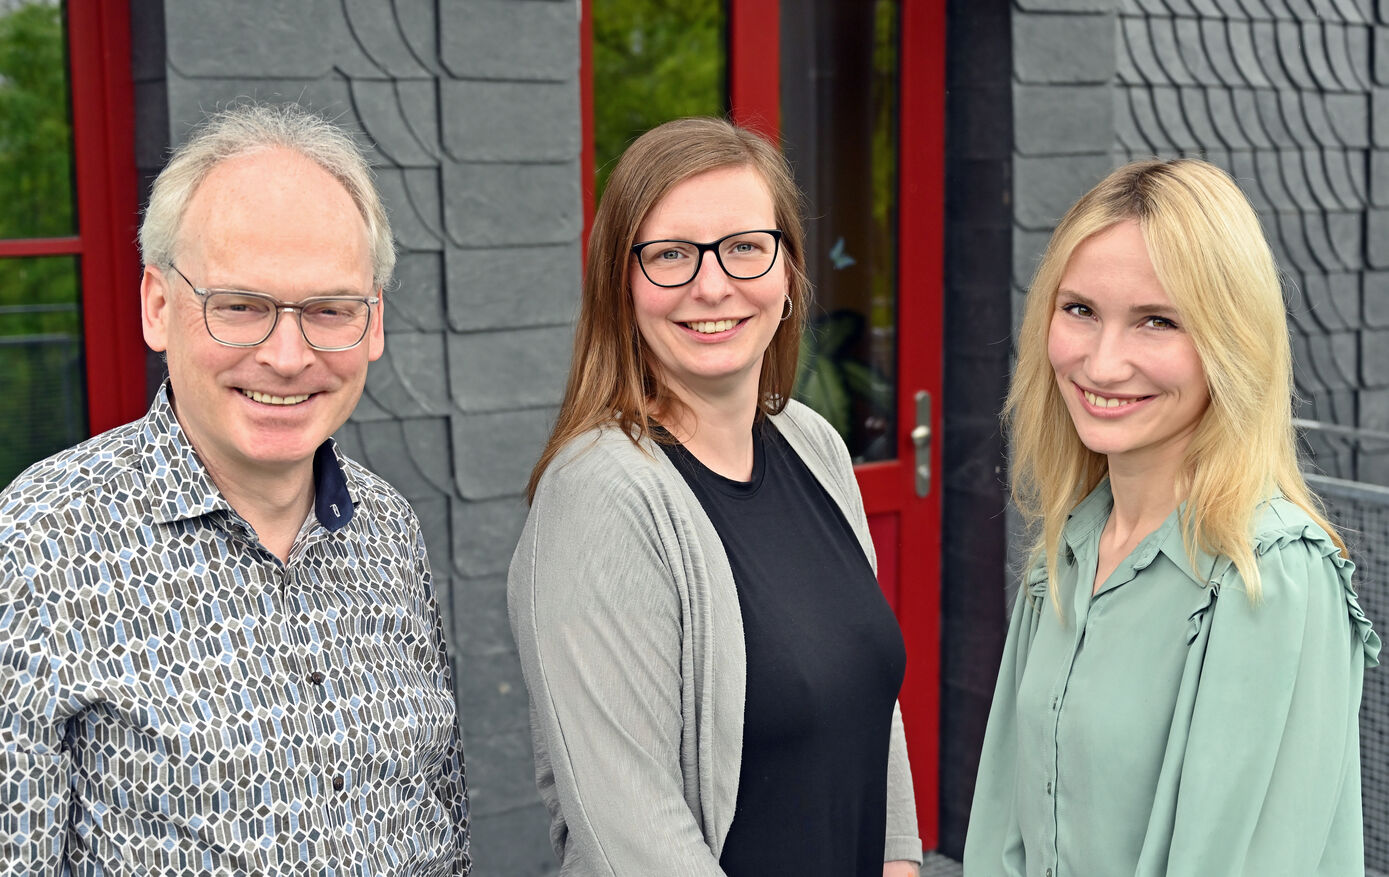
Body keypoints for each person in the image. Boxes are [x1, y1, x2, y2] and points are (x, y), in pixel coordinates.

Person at [0, 103, 471, 874]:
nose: (287, 356)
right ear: (158, 305)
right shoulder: (39, 545)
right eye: (241, 307)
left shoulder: (387, 528)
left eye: (328, 309)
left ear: (374, 323)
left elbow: (442, 821)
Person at [508, 117, 922, 876]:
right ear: (619, 287)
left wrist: (900, 862)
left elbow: (870, 706)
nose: (711, 284)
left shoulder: (814, 446)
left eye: (743, 247)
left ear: (787, 272)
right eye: (670, 254)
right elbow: (630, 834)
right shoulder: (600, 497)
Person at [964, 159, 1381, 875]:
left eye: (1156, 321)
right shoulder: (1068, 547)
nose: (1101, 362)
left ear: (1229, 342)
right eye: (1080, 310)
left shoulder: (1268, 574)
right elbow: (1006, 824)